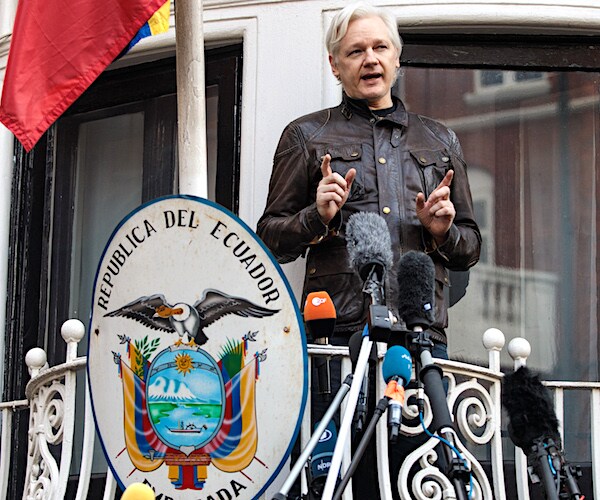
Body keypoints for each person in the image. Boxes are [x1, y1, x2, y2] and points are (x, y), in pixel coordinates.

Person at [257, 2, 481, 497]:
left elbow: (469, 248)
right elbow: (270, 237)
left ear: (397, 59)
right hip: (335, 341)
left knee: (417, 479)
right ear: (334, 64)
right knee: (334, 480)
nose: (370, 59)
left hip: (420, 340)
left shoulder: (439, 139)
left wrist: (441, 230)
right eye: (355, 50)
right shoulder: (306, 136)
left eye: (380, 47)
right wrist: (319, 215)